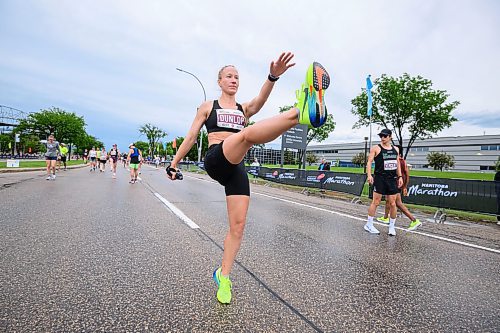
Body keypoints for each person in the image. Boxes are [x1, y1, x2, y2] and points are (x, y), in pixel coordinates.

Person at [167, 53, 330, 304]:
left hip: (236, 168)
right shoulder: (208, 107)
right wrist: (173, 163)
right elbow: (190, 138)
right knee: (247, 135)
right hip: (216, 158)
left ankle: (223, 276)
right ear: (220, 81)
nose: (234, 80)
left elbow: (261, 100)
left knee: (238, 226)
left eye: (237, 77)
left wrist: (272, 76)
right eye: (229, 76)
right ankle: (300, 110)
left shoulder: (244, 109)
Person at [364, 129, 404, 236]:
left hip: (392, 179)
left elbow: (397, 164)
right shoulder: (376, 148)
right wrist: (369, 175)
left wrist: (400, 176)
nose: (382, 138)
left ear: (390, 137)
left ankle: (391, 227)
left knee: (392, 203)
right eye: (381, 136)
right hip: (380, 178)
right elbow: (369, 162)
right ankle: (369, 224)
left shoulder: (395, 149)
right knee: (376, 202)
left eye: (385, 136)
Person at [377, 145, 421, 230]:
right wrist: (404, 186)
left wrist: (404, 186)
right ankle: (386, 217)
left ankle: (414, 220)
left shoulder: (396, 161)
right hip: (396, 184)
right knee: (388, 200)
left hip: (394, 184)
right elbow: (407, 174)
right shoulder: (403, 161)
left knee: (398, 204)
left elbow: (401, 173)